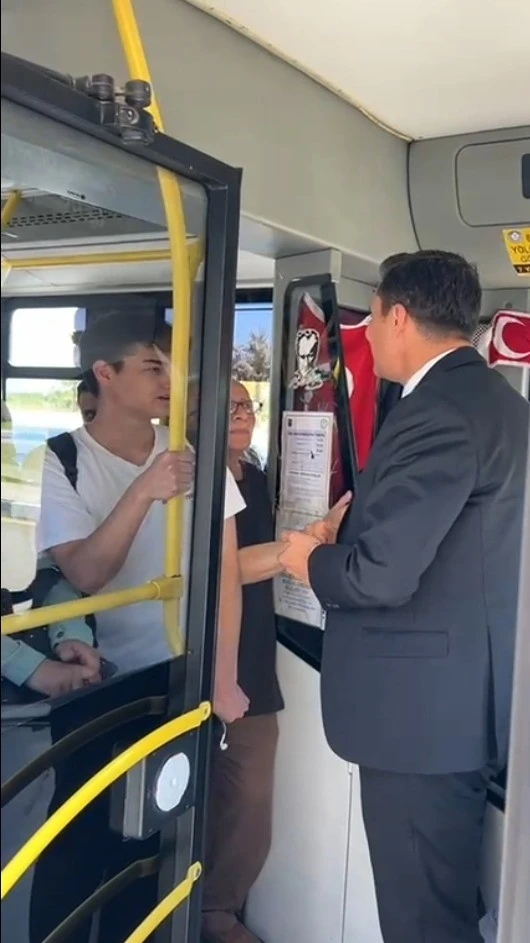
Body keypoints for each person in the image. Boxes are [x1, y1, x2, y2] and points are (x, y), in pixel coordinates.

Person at [279, 250, 529, 943]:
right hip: (455, 707)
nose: (368, 337)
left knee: (423, 921)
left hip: (419, 724)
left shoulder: (435, 412)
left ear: (397, 317)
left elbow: (380, 577)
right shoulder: (501, 404)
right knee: (442, 907)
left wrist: (310, 559)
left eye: (373, 321)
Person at [38, 311, 248, 720]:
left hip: (187, 670)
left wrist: (223, 677)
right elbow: (86, 574)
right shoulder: (58, 460)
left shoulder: (195, 452)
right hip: (96, 675)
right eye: (154, 368)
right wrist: (143, 491)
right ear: (105, 373)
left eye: (174, 367)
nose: (170, 380)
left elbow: (224, 571)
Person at [201, 380, 350, 943]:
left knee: (249, 802)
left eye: (248, 404)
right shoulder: (195, 483)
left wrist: (303, 543)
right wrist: (297, 551)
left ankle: (217, 911)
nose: (243, 413)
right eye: (230, 404)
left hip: (255, 654)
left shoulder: (255, 476)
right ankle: (208, 915)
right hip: (212, 658)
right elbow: (222, 570)